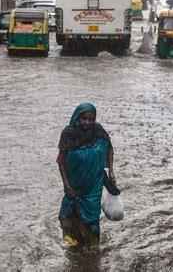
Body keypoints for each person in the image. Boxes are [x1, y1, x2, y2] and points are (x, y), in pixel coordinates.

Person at [57, 102, 115, 247]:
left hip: (94, 184)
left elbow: (109, 149)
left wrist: (111, 171)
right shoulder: (68, 134)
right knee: (69, 215)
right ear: (77, 118)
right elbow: (61, 160)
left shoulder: (98, 131)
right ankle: (76, 245)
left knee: (91, 218)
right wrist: (66, 185)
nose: (87, 122)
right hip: (74, 184)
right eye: (84, 119)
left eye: (90, 119)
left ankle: (93, 249)